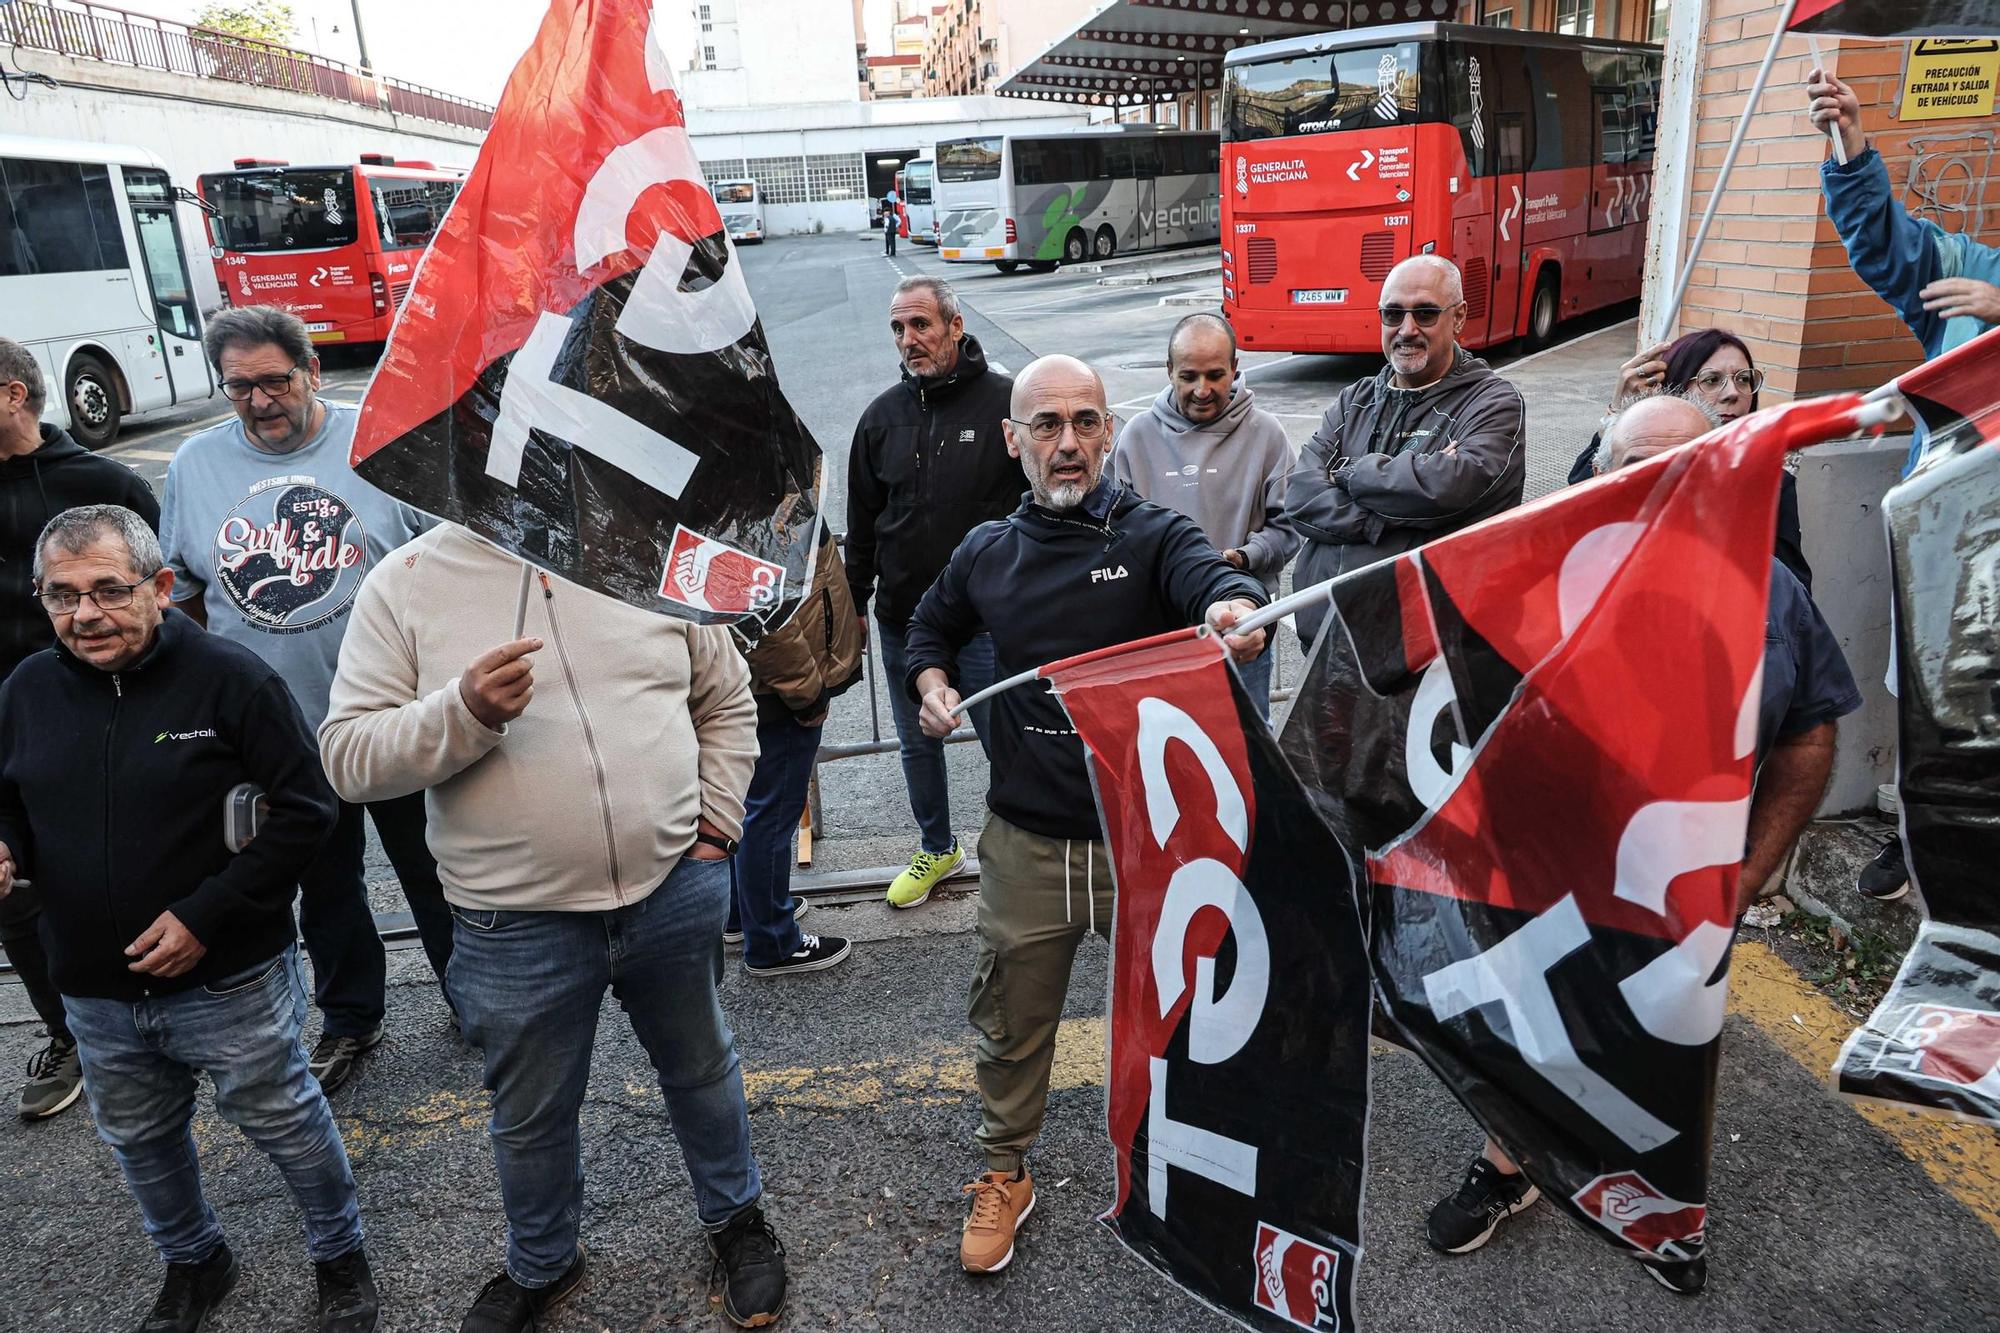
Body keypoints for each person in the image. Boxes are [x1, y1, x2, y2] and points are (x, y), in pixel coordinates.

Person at [1424, 393, 1862, 1296]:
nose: (1660, 485)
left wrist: (1748, 873)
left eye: (1688, 467)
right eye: (1635, 466)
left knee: (1664, 1050)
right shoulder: (1532, 580)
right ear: (1599, 475)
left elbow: (1811, 733)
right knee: (1536, 1033)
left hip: (1685, 893)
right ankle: (1509, 1167)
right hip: (1546, 885)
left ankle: (1659, 1204)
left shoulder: (1774, 594)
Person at [318, 525, 786, 1332]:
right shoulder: (407, 580)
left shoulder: (643, 548)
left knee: (702, 1066)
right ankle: (542, 1261)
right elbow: (349, 757)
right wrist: (460, 712)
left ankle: (737, 1219)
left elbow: (726, 696)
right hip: (513, 924)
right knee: (531, 1113)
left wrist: (715, 830)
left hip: (672, 892)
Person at [904, 354, 1269, 1276]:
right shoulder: (989, 549)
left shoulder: (1151, 535)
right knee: (1011, 1023)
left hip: (1145, 841)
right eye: (1047, 425)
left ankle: (1194, 1170)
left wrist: (1234, 605)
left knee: (1187, 1016)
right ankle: (1005, 1171)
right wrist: (932, 681)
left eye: (1085, 422)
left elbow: (1211, 583)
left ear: (1110, 430)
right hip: (1026, 842)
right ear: (1012, 439)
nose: (1067, 445)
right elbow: (928, 626)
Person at [0, 505, 377, 1333]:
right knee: (140, 1139)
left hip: (228, 976)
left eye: (108, 589)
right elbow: (11, 809)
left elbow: (308, 810)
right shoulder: (24, 690)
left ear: (162, 587)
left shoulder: (232, 678)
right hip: (94, 988)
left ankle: (340, 1256)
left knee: (285, 1121)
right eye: (61, 595)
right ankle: (195, 1260)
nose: (84, 615)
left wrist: (208, 914)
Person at [159, 305, 444, 1095]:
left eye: (274, 380)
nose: (258, 400)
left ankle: (475, 1001)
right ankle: (352, 1018)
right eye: (238, 387)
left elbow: (448, 565)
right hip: (279, 733)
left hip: (393, 713)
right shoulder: (193, 464)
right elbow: (179, 593)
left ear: (312, 370)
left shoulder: (378, 438)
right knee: (325, 885)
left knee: (436, 866)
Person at [1807, 65, 2000, 901]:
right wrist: (1849, 139)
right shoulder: (1965, 268)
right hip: (1949, 542)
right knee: (1933, 691)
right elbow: (1886, 248)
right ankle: (1923, 833)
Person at [0, 337, 158, 1122]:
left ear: (12, 395)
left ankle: (170, 1011)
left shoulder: (100, 483)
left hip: (106, 706)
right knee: (13, 884)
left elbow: (162, 592)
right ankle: (69, 1032)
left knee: (126, 852)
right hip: (5, 718)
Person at [846, 275, 1023, 909]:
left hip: (985, 624)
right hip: (901, 620)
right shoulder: (881, 418)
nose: (908, 339)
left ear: (955, 326)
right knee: (918, 742)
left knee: (1012, 742)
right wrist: (856, 604)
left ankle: (1024, 849)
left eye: (920, 325)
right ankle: (937, 846)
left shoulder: (1006, 404)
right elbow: (862, 523)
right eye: (898, 328)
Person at [1287, 255, 1526, 650]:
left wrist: (1350, 474)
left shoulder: (1493, 402)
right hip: (1329, 642)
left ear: (1460, 318)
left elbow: (1448, 489)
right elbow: (1298, 495)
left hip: (1433, 651)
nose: (1407, 329)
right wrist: (1387, 519)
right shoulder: (1354, 400)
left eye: (1426, 314)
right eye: (1393, 314)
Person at [1111, 312, 1300, 720]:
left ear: (1235, 369)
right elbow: (1111, 530)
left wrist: (1245, 558)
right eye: (1189, 376)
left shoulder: (1266, 435)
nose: (1202, 390)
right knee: (1166, 750)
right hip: (1160, 633)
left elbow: (1290, 526)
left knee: (1248, 750)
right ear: (1169, 372)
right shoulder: (1137, 436)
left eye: (1215, 375)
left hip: (1240, 628)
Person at [1568, 328, 1811, 589]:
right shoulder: (1639, 456)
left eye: (1743, 379)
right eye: (1711, 380)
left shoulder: (1771, 481)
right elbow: (1581, 510)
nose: (1733, 393)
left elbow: (1793, 590)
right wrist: (1620, 411)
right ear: (1673, 389)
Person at [726, 527, 861, 977]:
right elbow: (764, 618)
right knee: (770, 813)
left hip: (765, 685)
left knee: (749, 806)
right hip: (780, 690)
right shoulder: (752, 504)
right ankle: (772, 941)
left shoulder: (744, 490)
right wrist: (809, 695)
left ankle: (744, 912)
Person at [881, 184, 901, 256]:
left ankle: (892, 253)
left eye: (886, 212)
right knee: (889, 242)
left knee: (891, 242)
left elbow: (899, 221)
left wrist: (895, 226)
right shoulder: (887, 217)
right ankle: (888, 252)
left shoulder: (893, 216)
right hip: (889, 231)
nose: (885, 213)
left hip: (890, 231)